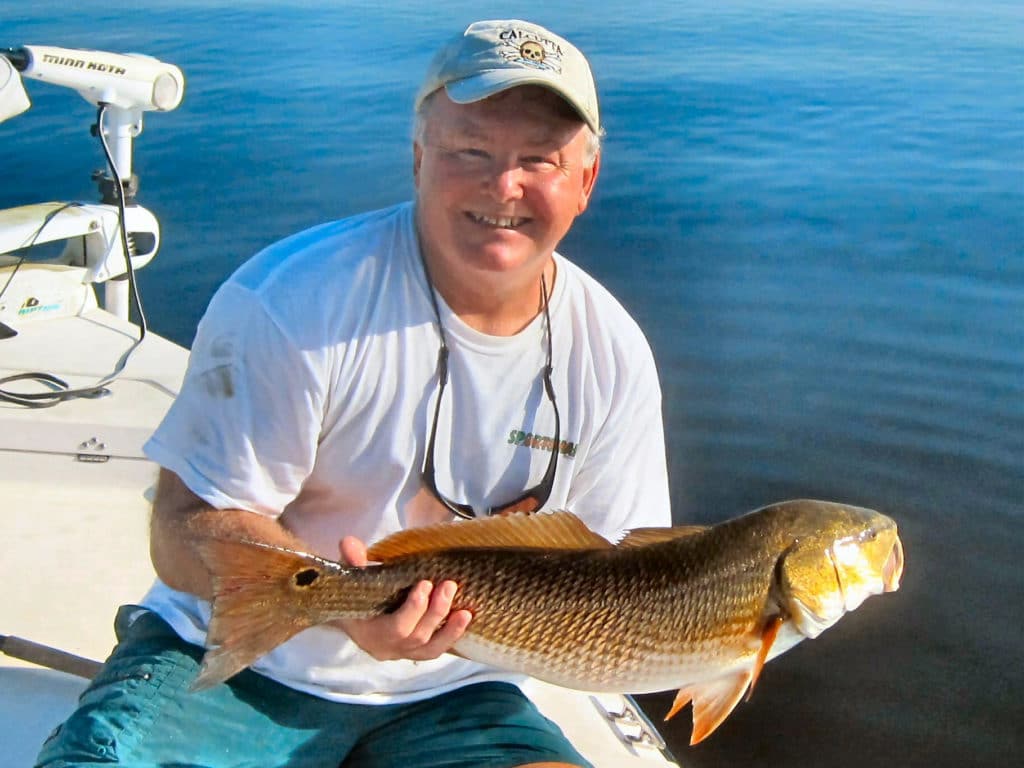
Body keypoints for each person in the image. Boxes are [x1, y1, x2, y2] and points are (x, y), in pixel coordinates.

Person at [36, 19, 670, 768]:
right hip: (242, 664)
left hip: (454, 691)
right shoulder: (296, 300)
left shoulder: (613, 352)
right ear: (417, 160)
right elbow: (182, 528)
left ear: (586, 182)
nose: (505, 187)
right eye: (471, 152)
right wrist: (345, 606)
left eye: (541, 160)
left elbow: (623, 568)